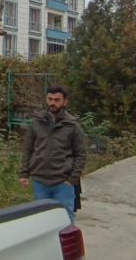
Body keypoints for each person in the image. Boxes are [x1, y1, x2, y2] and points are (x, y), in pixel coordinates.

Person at [19, 85, 86, 222]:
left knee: (65, 220)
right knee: (42, 220)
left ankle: (65, 244)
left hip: (63, 183)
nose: (53, 103)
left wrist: (72, 179)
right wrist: (24, 173)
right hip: (40, 181)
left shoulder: (72, 126)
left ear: (65, 102)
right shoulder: (36, 123)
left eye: (57, 100)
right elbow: (27, 149)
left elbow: (81, 154)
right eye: (50, 99)